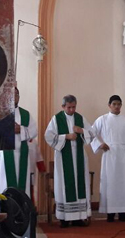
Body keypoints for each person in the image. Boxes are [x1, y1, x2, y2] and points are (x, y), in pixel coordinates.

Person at [44, 95, 93, 228]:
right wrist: (66, 136)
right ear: (63, 106)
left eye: (74, 107)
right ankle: (64, 218)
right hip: (63, 158)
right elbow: (48, 136)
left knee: (79, 184)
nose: (72, 110)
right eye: (69, 107)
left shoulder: (80, 118)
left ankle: (79, 217)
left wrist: (81, 130)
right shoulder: (56, 119)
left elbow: (92, 133)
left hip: (79, 157)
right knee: (64, 185)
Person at [91, 95, 125, 222]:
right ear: (109, 105)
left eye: (119, 104)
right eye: (114, 104)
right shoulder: (103, 119)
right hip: (110, 153)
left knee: (123, 183)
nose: (117, 106)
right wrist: (100, 144)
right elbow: (91, 133)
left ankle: (123, 212)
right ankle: (110, 213)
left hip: (123, 154)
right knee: (110, 182)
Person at [0, 87, 42, 204]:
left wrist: (21, 129)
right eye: (12, 94)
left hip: (21, 155)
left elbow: (34, 131)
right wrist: (7, 129)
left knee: (21, 185)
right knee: (3, 183)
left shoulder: (25, 114)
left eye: (17, 94)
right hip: (5, 156)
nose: (15, 97)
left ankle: (22, 212)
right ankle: (3, 211)